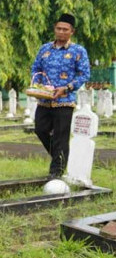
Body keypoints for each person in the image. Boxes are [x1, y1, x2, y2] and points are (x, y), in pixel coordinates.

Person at [31, 13, 90, 178]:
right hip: (44, 99)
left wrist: (67, 88)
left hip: (65, 101)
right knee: (40, 130)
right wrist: (37, 86)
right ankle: (61, 158)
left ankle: (56, 171)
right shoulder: (44, 49)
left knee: (60, 137)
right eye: (59, 28)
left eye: (65, 29)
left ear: (72, 31)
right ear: (54, 29)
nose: (61, 32)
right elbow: (36, 69)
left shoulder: (78, 51)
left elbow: (84, 74)